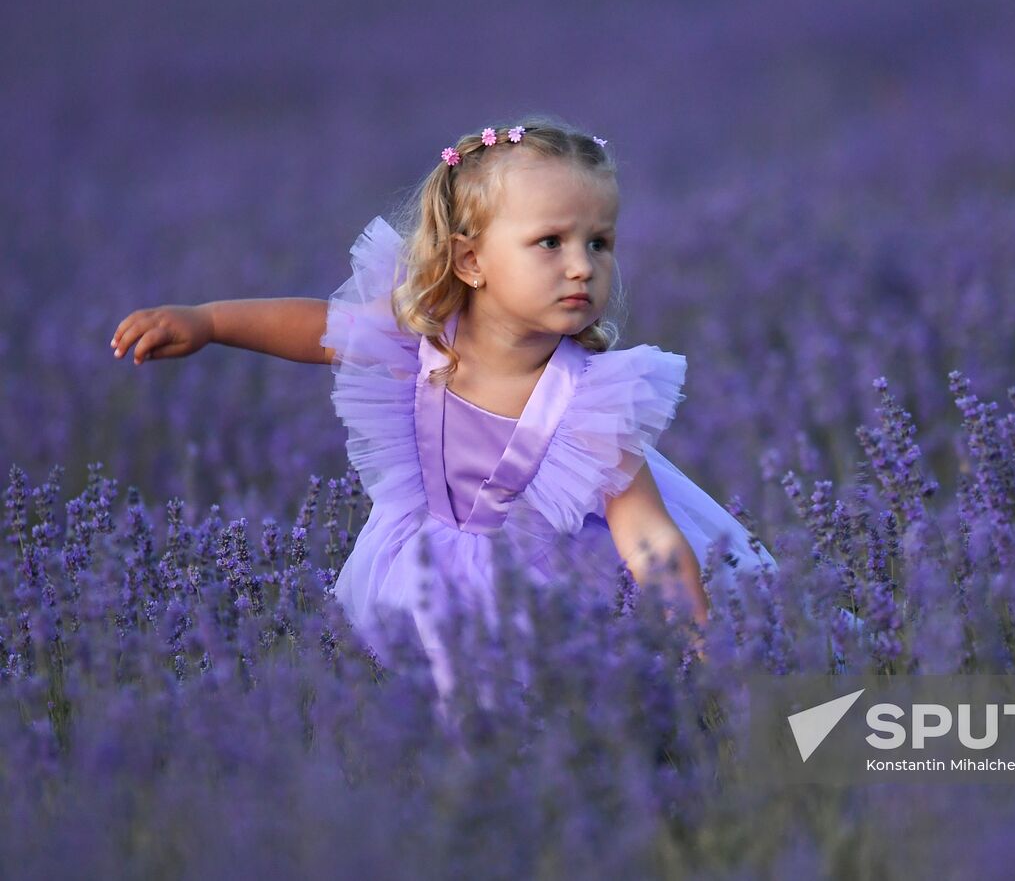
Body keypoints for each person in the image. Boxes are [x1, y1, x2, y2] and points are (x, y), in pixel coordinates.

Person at [109, 116, 776, 709]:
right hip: (418, 563)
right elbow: (321, 328)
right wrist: (208, 321)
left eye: (599, 242)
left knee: (544, 701)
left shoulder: (590, 398)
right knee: (409, 700)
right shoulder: (426, 336)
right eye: (551, 242)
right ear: (470, 260)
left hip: (549, 580)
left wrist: (700, 645)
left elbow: (649, 537)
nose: (582, 266)